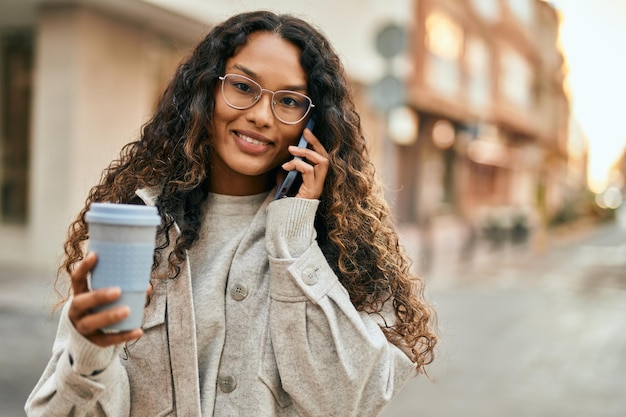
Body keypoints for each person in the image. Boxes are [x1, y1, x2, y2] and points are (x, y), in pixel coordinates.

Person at [26, 10, 437, 417]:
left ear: (311, 125)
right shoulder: (138, 228)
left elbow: (350, 400)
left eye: (289, 101)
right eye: (243, 87)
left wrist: (294, 237)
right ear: (207, 91)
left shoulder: (340, 248)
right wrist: (88, 350)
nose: (260, 115)